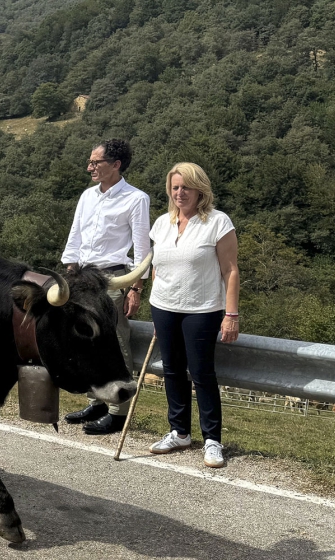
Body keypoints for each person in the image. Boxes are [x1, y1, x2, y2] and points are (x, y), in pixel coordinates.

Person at [147, 162, 239, 468]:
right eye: (175, 187)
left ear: (200, 190)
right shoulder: (162, 223)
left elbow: (231, 270)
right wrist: (155, 303)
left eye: (186, 187)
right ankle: (180, 432)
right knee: (171, 370)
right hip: (164, 307)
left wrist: (231, 314)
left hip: (202, 309)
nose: (179, 193)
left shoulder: (218, 222)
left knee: (201, 373)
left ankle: (212, 439)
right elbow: (157, 267)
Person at [61, 139, 150, 435]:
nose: (89, 168)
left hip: (112, 278)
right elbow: (75, 235)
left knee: (116, 340)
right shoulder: (88, 195)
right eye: (90, 162)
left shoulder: (136, 199)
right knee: (86, 340)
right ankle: (96, 402)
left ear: (116, 165)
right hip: (81, 278)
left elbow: (141, 246)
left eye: (95, 163)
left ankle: (118, 411)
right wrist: (70, 272)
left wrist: (136, 288)